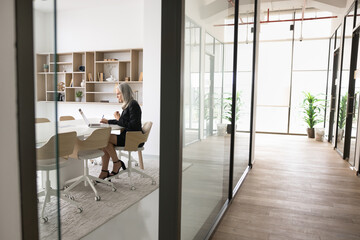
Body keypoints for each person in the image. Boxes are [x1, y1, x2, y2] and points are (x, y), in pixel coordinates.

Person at [98, 82, 143, 179]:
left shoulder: (133, 105)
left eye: (118, 94)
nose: (117, 96)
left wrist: (118, 119)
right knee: (105, 141)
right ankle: (104, 171)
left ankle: (116, 163)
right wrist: (108, 121)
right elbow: (123, 122)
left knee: (105, 139)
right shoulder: (128, 105)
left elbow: (133, 126)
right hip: (128, 135)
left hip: (133, 138)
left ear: (124, 93)